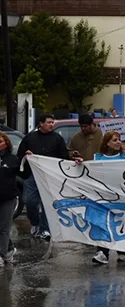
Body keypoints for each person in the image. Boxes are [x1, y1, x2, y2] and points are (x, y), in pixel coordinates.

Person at [17, 113, 69, 241]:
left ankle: (44, 228)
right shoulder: (29, 138)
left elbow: (64, 157)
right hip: (32, 176)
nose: (52, 125)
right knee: (29, 200)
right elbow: (20, 155)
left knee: (47, 203)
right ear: (41, 124)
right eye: (49, 122)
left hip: (50, 176)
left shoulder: (58, 139)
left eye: (53, 122)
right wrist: (27, 155)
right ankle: (35, 222)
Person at [91, 131, 125, 264]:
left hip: (122, 197)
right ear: (107, 143)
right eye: (114, 140)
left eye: (119, 139)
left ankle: (122, 250)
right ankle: (102, 252)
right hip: (104, 197)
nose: (118, 142)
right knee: (103, 224)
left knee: (121, 223)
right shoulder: (98, 158)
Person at [0, 132, 19, 264]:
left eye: (0, 142)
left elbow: (24, 173)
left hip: (7, 198)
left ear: (6, 143)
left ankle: (1, 254)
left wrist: (28, 160)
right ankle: (9, 249)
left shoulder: (12, 159)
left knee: (4, 227)